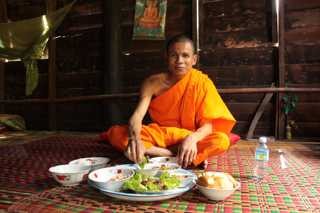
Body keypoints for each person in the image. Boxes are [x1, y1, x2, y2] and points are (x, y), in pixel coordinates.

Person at [101, 34, 236, 168]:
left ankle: (155, 152)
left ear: (194, 59)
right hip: (162, 135)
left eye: (185, 55)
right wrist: (134, 140)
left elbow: (207, 126)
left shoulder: (202, 83)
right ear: (166, 58)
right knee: (116, 134)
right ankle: (175, 155)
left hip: (189, 137)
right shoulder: (152, 83)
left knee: (221, 141)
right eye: (174, 55)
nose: (179, 61)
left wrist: (192, 139)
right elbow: (137, 117)